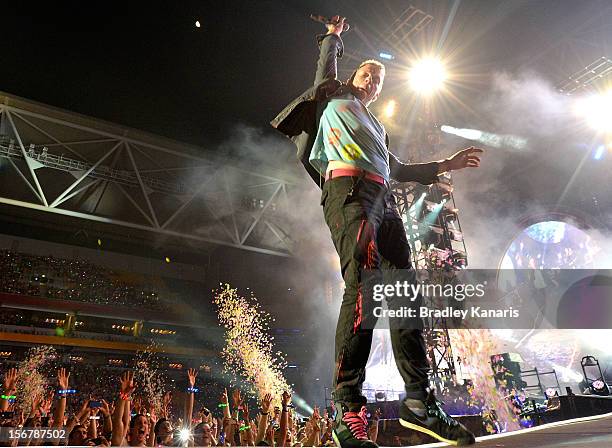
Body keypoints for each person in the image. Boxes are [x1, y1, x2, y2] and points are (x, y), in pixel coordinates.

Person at [271, 15, 482, 447]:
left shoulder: (377, 127)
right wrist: (332, 38)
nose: (374, 79)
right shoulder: (335, 97)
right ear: (354, 76)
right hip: (350, 192)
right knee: (364, 287)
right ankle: (347, 408)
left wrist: (446, 164)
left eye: (380, 78)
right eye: (368, 72)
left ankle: (419, 402)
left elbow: (400, 168)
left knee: (406, 293)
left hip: (383, 200)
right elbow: (325, 70)